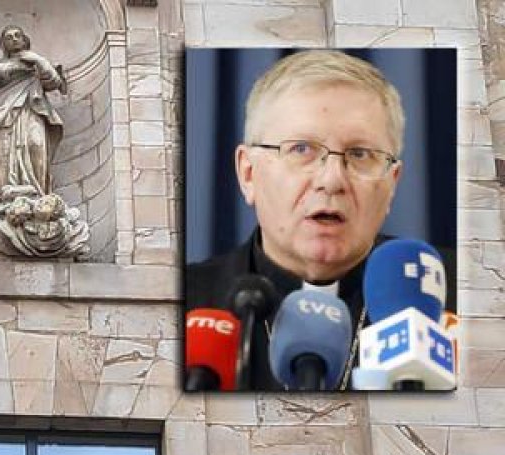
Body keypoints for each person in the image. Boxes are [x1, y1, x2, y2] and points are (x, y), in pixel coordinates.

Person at [184, 50, 456, 391]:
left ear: (392, 185)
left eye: (360, 154)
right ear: (248, 174)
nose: (332, 180)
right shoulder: (185, 305)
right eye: (301, 149)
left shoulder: (472, 298)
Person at [0, 25, 66, 210]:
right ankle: (4, 193)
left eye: (17, 35)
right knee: (4, 151)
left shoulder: (37, 63)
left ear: (24, 40)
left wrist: (37, 60)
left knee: (35, 144)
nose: (13, 39)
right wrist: (19, 66)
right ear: (3, 44)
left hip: (33, 111)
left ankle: (38, 193)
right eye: (8, 37)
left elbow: (54, 81)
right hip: (4, 113)